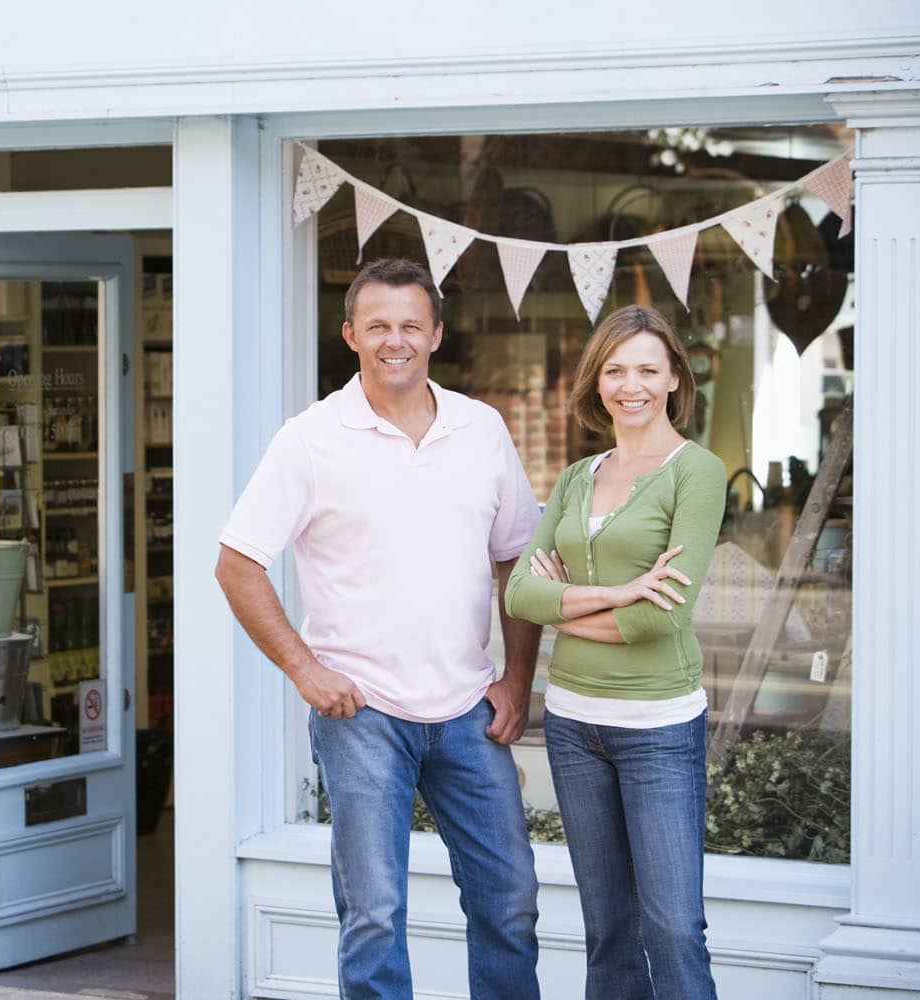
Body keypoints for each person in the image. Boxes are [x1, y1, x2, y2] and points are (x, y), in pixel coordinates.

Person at [215, 258, 545, 1000]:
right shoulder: (311, 438)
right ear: (351, 335)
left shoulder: (481, 428)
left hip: (468, 711)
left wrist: (517, 680)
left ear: (434, 333)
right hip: (361, 714)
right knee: (373, 915)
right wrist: (307, 671)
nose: (394, 340)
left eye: (409, 325)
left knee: (510, 900)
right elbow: (237, 564)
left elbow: (516, 564)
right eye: (377, 327)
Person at [505, 304, 726, 1000]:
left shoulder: (698, 471)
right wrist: (624, 591)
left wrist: (570, 607)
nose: (630, 384)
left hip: (658, 729)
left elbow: (663, 621)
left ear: (672, 380)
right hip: (573, 727)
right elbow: (518, 596)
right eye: (616, 368)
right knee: (608, 930)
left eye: (647, 370)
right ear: (598, 380)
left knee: (673, 930)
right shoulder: (577, 476)